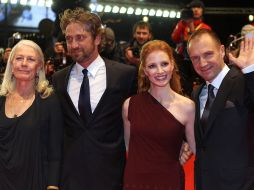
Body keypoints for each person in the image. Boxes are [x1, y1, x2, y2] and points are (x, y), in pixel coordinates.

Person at [52, 8, 137, 190]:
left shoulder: (124, 75)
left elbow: (142, 119)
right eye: (69, 39)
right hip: (70, 179)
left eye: (80, 37)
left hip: (111, 177)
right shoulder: (58, 79)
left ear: (97, 38)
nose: (73, 45)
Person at [122, 40, 196, 190]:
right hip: (136, 181)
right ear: (144, 71)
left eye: (164, 64)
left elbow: (197, 150)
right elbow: (129, 147)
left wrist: (184, 148)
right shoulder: (130, 106)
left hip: (170, 181)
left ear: (172, 65)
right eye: (152, 66)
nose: (160, 71)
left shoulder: (188, 107)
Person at [187, 28, 254, 190]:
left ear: (222, 50)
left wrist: (251, 71)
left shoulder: (243, 81)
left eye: (208, 54)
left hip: (241, 184)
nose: (202, 63)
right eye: (195, 58)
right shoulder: (197, 93)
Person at [0, 40, 63, 190]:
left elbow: (55, 150)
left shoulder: (49, 100)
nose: (24, 63)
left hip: (35, 181)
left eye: (31, 59)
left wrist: (52, 185)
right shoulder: (1, 98)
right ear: (11, 63)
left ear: (39, 66)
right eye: (19, 58)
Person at [171, 0, 211, 96]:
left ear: (202, 10)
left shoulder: (205, 27)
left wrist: (191, 28)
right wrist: (182, 21)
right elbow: (174, 38)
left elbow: (204, 44)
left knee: (198, 82)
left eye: (199, 7)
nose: (196, 10)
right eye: (193, 7)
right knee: (183, 83)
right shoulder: (183, 25)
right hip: (183, 59)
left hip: (198, 59)